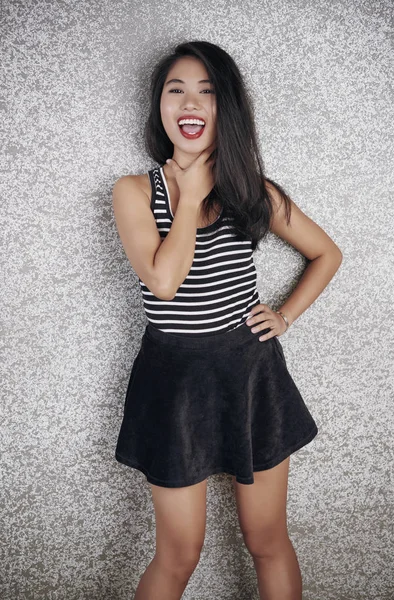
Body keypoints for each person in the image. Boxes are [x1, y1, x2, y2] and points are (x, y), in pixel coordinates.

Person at [112, 40, 342, 600]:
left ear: (227, 108)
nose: (190, 102)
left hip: (250, 377)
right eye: (176, 90)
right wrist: (189, 199)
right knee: (179, 553)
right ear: (159, 106)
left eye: (207, 92)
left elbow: (327, 254)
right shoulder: (134, 191)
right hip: (173, 382)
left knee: (267, 539)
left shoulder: (251, 192)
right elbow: (163, 283)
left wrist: (284, 315)